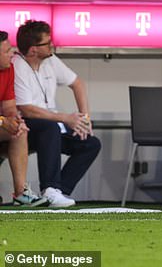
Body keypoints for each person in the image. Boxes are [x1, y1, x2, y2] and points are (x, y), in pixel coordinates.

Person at [14, 20, 101, 208]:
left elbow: (77, 83)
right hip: (27, 125)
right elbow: (27, 109)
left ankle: (59, 191)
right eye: (47, 43)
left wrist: (85, 119)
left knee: (90, 143)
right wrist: (65, 118)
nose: (52, 45)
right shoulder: (17, 66)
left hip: (51, 123)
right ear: (33, 50)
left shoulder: (51, 60)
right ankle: (50, 188)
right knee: (50, 126)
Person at [0, 30, 48, 207]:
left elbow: (9, 107)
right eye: (6, 51)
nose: (12, 54)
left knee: (20, 131)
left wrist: (14, 121)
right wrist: (3, 121)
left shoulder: (8, 68)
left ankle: (21, 194)